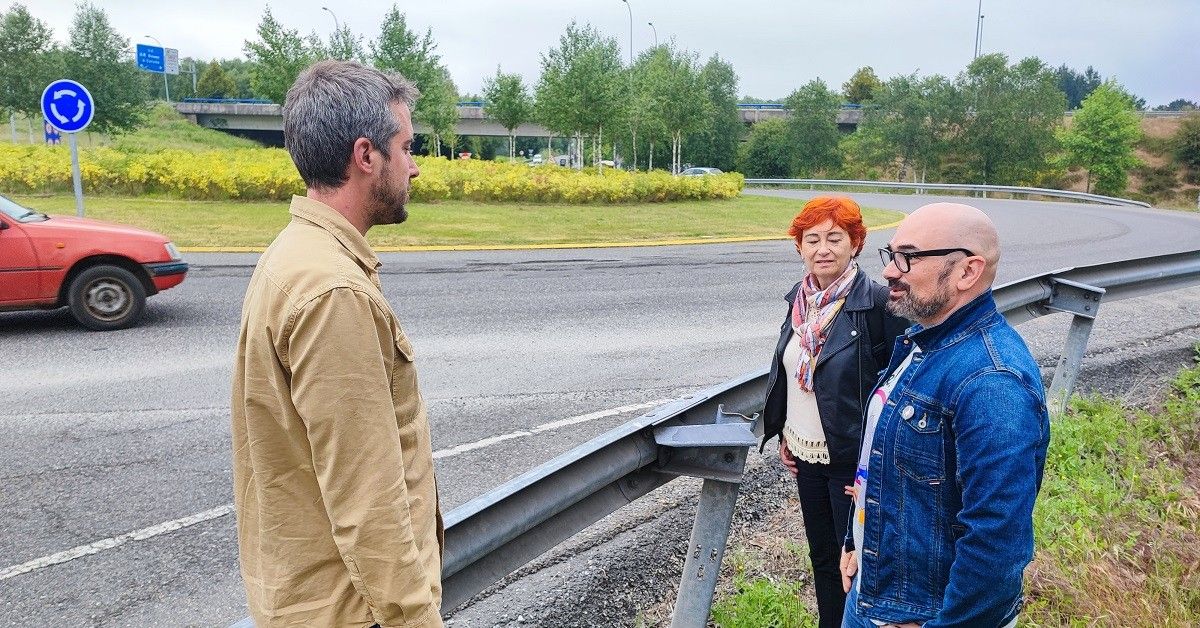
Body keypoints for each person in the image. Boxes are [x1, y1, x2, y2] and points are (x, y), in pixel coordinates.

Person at [231, 60, 443, 628]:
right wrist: (416, 618)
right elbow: (367, 498)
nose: (414, 167)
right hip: (356, 611)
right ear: (366, 156)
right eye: (406, 146)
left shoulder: (294, 255)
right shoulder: (332, 292)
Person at [840, 203, 1051, 628]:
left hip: (923, 615)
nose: (890, 272)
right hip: (874, 596)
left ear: (967, 272)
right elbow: (883, 463)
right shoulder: (925, 342)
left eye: (909, 257)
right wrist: (855, 541)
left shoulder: (991, 379)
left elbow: (997, 539)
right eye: (891, 254)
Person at [759, 196, 908, 628]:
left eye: (834, 238)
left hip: (853, 465)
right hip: (805, 458)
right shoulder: (799, 303)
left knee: (857, 565)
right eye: (812, 239)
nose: (823, 248)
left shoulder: (879, 305)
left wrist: (874, 471)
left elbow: (898, 388)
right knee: (823, 560)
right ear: (799, 248)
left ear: (855, 243)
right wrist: (787, 432)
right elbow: (793, 376)